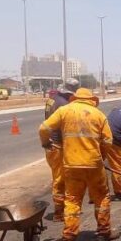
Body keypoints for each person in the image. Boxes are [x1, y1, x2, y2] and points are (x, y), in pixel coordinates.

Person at [39, 88, 118, 241]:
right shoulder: (98, 115)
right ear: (92, 100)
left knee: (72, 200)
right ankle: (104, 232)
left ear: (74, 98)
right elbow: (108, 141)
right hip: (94, 165)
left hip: (72, 165)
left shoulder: (64, 110)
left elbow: (43, 129)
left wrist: (46, 143)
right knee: (101, 198)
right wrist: (101, 157)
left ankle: (68, 239)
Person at [42, 78, 80, 222]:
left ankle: (63, 207)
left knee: (59, 177)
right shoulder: (63, 104)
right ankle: (59, 212)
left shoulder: (51, 99)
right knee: (60, 179)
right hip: (57, 145)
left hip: (51, 145)